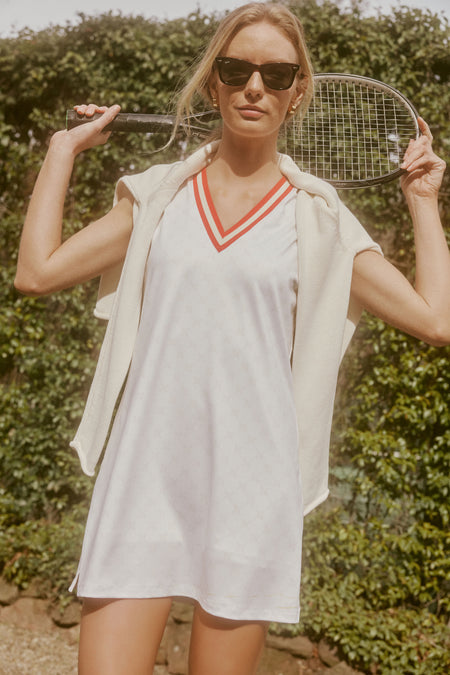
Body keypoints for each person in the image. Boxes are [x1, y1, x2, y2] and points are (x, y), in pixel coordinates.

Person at [14, 3, 449, 674]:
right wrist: (61, 151)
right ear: (212, 81)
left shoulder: (320, 220)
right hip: (143, 475)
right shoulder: (158, 196)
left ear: (298, 91)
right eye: (236, 68)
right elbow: (36, 273)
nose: (254, 87)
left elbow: (435, 320)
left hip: (253, 488)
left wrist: (422, 200)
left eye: (277, 74)